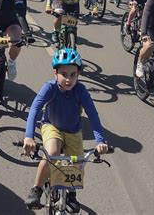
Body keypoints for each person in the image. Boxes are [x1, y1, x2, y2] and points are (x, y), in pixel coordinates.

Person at [23, 48, 108, 211]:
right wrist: (29, 136)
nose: (68, 79)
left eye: (73, 74)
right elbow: (34, 109)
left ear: (78, 75)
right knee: (52, 153)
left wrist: (100, 141)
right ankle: (37, 189)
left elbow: (93, 115)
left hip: (73, 131)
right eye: (63, 74)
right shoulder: (49, 87)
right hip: (52, 126)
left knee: (78, 163)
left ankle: (71, 194)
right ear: (55, 73)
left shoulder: (81, 91)